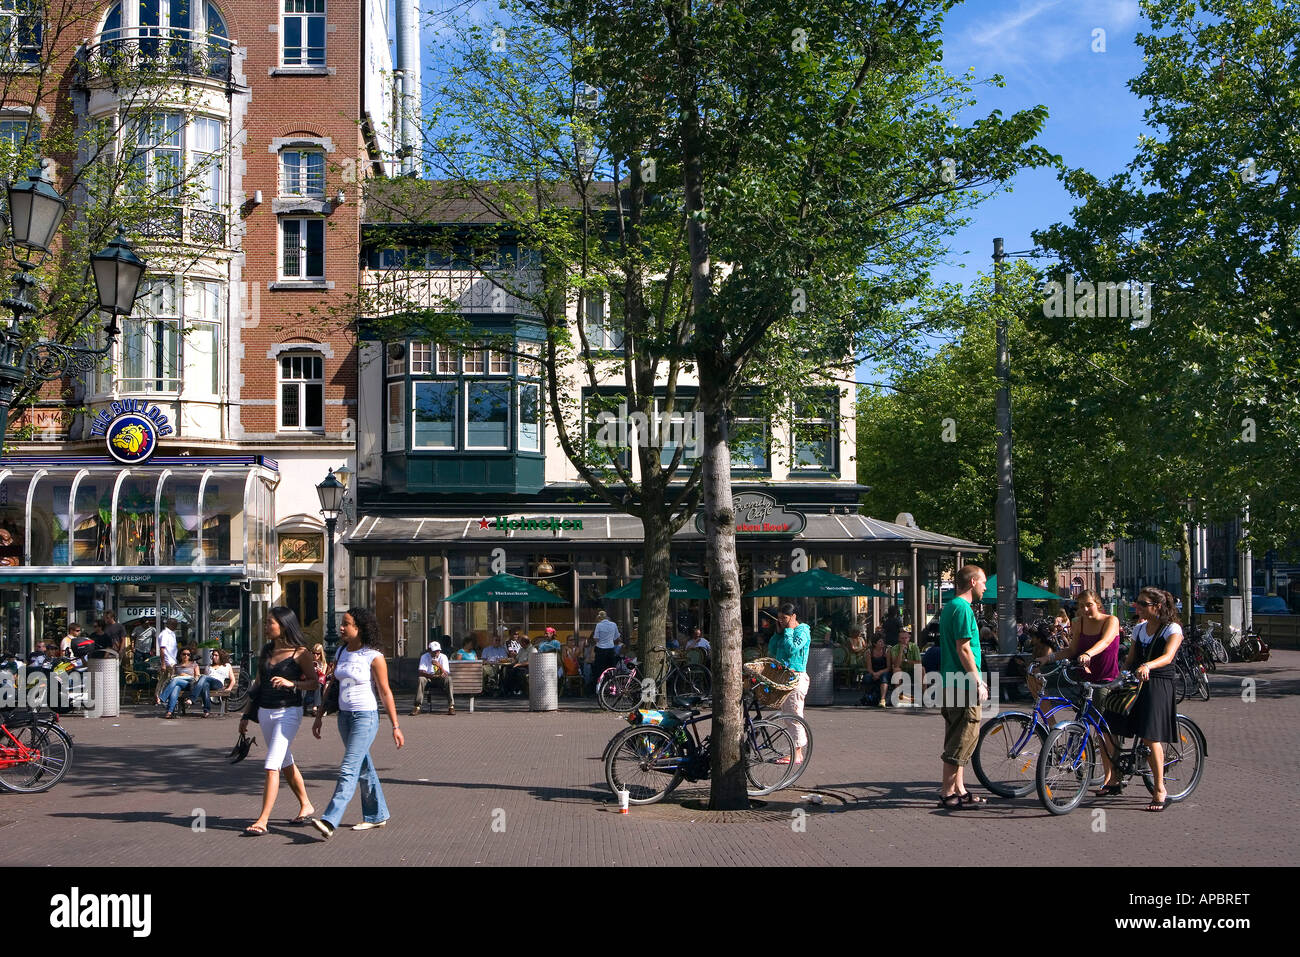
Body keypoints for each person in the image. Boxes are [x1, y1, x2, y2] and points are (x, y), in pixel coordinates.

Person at [311, 608, 404, 838]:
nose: (341, 628)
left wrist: (395, 726)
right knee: (363, 767)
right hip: (344, 717)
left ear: (359, 628)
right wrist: (320, 715)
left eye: (346, 624)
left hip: (366, 717)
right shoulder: (341, 651)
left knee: (348, 769)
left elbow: (385, 692)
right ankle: (376, 815)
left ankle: (330, 820)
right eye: (341, 624)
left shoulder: (373, 656)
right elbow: (332, 685)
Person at [238, 607, 319, 836]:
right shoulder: (266, 650)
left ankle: (263, 819)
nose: (266, 627)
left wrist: (291, 683)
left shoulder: (301, 653)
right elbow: (257, 684)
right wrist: (246, 715)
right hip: (265, 712)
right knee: (284, 761)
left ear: (283, 625)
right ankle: (306, 804)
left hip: (288, 713)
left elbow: (314, 683)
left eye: (270, 623)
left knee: (271, 764)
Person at [1102, 588, 1184, 811]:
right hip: (1136, 680)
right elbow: (1130, 660)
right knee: (1107, 725)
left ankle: (1159, 788)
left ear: (1157, 606)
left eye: (1142, 603)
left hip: (1158, 682)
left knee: (1149, 735)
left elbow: (1168, 656)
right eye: (1137, 602)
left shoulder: (1171, 628)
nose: (1136, 606)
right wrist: (1117, 679)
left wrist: (1148, 665)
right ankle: (1114, 779)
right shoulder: (1139, 629)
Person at [938, 564, 989, 810]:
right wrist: (977, 680)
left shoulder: (950, 607)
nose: (985, 587)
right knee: (964, 736)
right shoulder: (963, 609)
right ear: (972, 583)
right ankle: (948, 792)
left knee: (956, 734)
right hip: (963, 682)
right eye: (983, 582)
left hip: (950, 680)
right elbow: (964, 648)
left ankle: (959, 789)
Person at [769, 603, 811, 763]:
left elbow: (792, 648)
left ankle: (797, 753)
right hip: (783, 677)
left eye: (784, 618)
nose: (782, 621)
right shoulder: (784, 631)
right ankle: (795, 750)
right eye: (779, 618)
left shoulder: (803, 631)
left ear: (793, 617)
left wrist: (788, 630)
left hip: (796, 678)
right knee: (788, 715)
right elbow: (772, 649)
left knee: (794, 714)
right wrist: (778, 632)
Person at [413, 640, 454, 715]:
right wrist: (431, 676)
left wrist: (439, 665)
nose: (436, 653)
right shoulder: (424, 657)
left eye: (438, 651)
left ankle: (451, 706)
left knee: (449, 679)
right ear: (429, 650)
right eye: (434, 651)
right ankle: (417, 707)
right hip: (428, 678)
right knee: (421, 679)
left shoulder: (443, 657)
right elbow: (421, 671)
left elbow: (446, 673)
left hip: (440, 679)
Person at [190, 648, 234, 717]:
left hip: (218, 684)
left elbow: (233, 680)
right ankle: (206, 711)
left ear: (221, 656)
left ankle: (192, 698)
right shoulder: (208, 666)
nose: (214, 657)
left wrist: (229, 689)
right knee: (205, 685)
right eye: (213, 655)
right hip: (208, 684)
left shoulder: (227, 665)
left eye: (216, 655)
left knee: (204, 677)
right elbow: (203, 681)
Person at [159, 649, 201, 717]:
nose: (186, 656)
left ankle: (162, 698)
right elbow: (173, 676)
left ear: (190, 656)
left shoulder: (194, 665)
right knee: (175, 688)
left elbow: (197, 677)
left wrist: (186, 675)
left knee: (175, 681)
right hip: (178, 684)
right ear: (180, 655)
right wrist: (179, 675)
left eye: (188, 654)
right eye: (184, 654)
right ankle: (169, 712)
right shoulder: (176, 666)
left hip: (189, 684)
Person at [888, 628, 922, 702]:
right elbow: (896, 665)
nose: (904, 640)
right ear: (899, 639)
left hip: (912, 670)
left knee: (921, 669)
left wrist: (906, 660)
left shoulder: (914, 647)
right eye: (902, 638)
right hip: (901, 670)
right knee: (896, 670)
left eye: (906, 638)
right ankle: (899, 696)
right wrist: (900, 651)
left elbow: (919, 662)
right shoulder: (895, 648)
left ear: (909, 638)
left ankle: (922, 695)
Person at [591, 610, 620, 694]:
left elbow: (596, 638)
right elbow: (616, 637)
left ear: (599, 618)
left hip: (600, 649)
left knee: (599, 669)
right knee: (611, 669)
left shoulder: (598, 625)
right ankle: (613, 687)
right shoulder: (613, 624)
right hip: (610, 648)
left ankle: (599, 688)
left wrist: (601, 640)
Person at [859, 636, 890, 707]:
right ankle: (868, 696)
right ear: (875, 644)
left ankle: (882, 699)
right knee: (867, 678)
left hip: (884, 671)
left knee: (884, 677)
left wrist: (879, 673)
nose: (882, 643)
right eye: (880, 641)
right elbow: (869, 667)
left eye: (882, 641)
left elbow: (888, 667)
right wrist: (874, 673)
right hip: (873, 671)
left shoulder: (886, 651)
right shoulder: (869, 652)